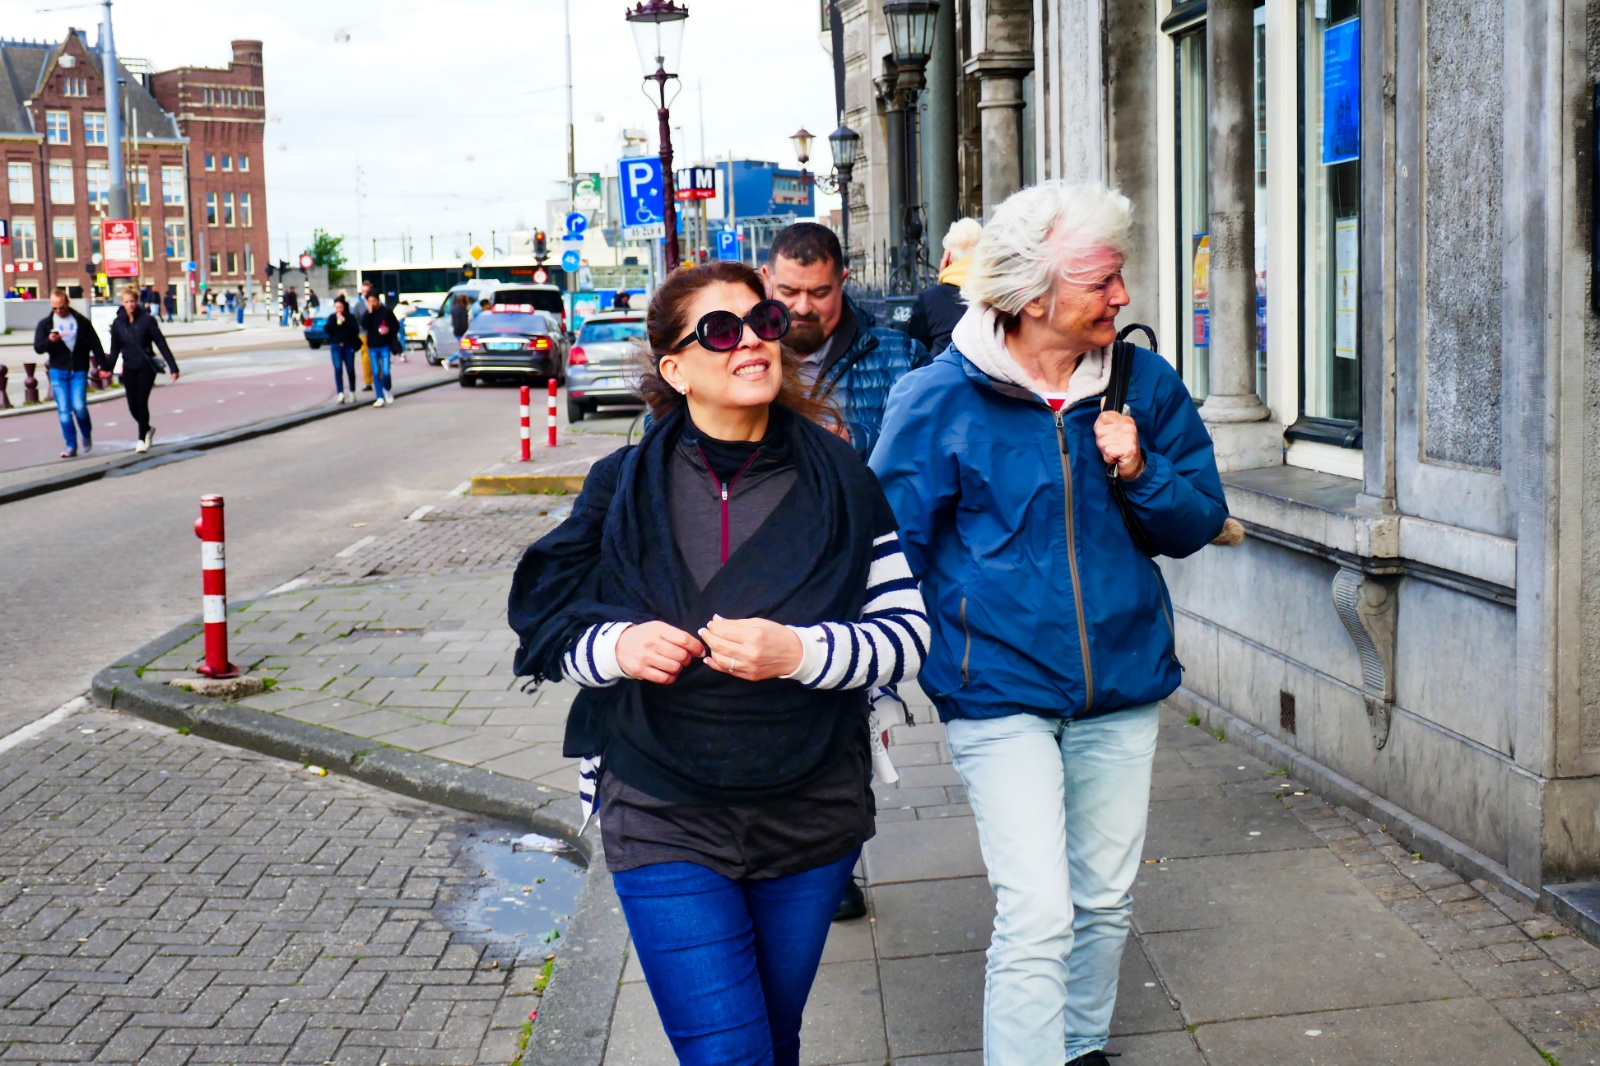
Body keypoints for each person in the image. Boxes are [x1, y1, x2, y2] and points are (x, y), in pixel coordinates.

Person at [508, 260, 928, 1066]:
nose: (752, 342)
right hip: (661, 804)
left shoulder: (840, 477)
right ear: (675, 368)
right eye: (722, 330)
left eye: (763, 323)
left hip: (809, 808)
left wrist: (801, 652)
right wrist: (619, 648)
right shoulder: (623, 485)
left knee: (773, 1040)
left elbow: (907, 630)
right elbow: (548, 619)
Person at [871, 182, 1228, 1066]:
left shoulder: (1144, 385)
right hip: (996, 688)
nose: (1122, 296)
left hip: (1123, 679)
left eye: (1119, 277)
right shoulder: (937, 398)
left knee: (1103, 899)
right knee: (1038, 908)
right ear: (1035, 295)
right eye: (1102, 280)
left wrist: (1139, 466)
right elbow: (889, 550)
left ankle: (1078, 1047)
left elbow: (1195, 523)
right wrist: (872, 679)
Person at [763, 222, 929, 462]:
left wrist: (853, 441)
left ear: (842, 283)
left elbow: (936, 440)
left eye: (819, 293)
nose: (803, 307)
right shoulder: (744, 354)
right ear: (767, 278)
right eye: (788, 292)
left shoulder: (904, 356)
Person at [33, 288, 105, 458]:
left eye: (61, 307)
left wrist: (105, 366)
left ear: (67, 303)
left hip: (78, 369)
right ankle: (71, 445)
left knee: (79, 406)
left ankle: (86, 434)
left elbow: (95, 343)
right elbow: (38, 347)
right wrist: (49, 341)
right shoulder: (46, 324)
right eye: (55, 308)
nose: (58, 311)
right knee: (64, 410)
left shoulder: (81, 321)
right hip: (58, 371)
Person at [109, 283, 179, 453]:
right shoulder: (118, 323)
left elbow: (160, 343)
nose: (130, 305)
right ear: (122, 303)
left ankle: (141, 438)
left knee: (141, 402)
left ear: (137, 301)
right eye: (126, 302)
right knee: (132, 405)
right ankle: (147, 428)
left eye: (132, 301)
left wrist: (173, 366)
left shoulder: (147, 320)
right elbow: (115, 349)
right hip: (129, 367)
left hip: (146, 367)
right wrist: (107, 369)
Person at [908, 217, 983, 357]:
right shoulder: (998, 294)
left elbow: (916, 350)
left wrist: (941, 284)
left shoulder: (931, 300)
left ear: (947, 258)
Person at [363, 290, 400, 407]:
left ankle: (387, 388)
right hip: (372, 345)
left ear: (378, 300)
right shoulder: (368, 313)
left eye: (373, 301)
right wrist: (369, 313)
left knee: (386, 370)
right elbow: (364, 325)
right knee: (375, 371)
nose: (372, 304)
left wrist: (388, 329)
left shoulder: (386, 312)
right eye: (369, 301)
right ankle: (379, 396)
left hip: (384, 344)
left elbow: (396, 325)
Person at [324, 296, 361, 404]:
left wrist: (344, 321)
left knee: (350, 369)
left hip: (348, 346)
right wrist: (335, 320)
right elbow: (327, 329)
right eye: (336, 307)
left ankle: (352, 391)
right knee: (338, 369)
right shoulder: (332, 317)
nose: (338, 310)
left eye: (340, 307)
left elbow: (355, 330)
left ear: (344, 307)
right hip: (336, 346)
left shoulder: (350, 317)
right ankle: (340, 393)